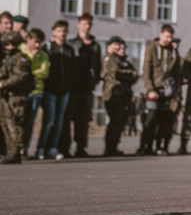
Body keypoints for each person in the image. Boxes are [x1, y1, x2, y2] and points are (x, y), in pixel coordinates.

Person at [62, 13, 102, 158]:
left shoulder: (95, 46)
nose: (87, 27)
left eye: (89, 24)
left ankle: (81, 148)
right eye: (84, 24)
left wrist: (95, 80)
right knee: (67, 118)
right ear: (78, 24)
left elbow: (97, 66)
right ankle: (64, 147)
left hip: (87, 88)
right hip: (73, 87)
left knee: (83, 120)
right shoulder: (72, 43)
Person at [139, 24, 181, 156]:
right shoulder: (151, 49)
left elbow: (177, 74)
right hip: (154, 91)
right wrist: (150, 89)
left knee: (165, 121)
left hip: (168, 91)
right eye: (167, 36)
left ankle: (160, 147)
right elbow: (146, 71)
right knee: (150, 119)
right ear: (161, 34)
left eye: (171, 37)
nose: (169, 39)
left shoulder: (173, 52)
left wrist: (177, 92)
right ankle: (145, 146)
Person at [39, 20, 73, 160]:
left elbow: (72, 70)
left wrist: (70, 85)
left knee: (59, 122)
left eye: (64, 31)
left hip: (64, 91)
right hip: (50, 90)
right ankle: (41, 148)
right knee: (49, 121)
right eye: (59, 31)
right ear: (53, 32)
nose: (62, 33)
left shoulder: (69, 49)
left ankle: (52, 147)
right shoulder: (47, 48)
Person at [0, 31, 34, 164]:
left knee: (13, 123)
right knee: (5, 123)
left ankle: (15, 151)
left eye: (10, 44)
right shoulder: (7, 59)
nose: (8, 46)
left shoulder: (21, 59)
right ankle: (11, 151)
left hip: (16, 95)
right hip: (6, 96)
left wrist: (4, 83)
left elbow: (21, 76)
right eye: (6, 44)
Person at [101, 35, 137, 157]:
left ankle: (114, 147)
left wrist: (129, 75)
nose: (119, 48)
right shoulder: (108, 58)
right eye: (116, 45)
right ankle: (109, 148)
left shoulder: (122, 60)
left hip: (124, 95)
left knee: (121, 121)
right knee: (115, 121)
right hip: (113, 94)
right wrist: (128, 74)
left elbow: (135, 76)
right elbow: (115, 73)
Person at [19, 28, 49, 157]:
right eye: (35, 42)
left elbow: (45, 72)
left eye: (40, 43)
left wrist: (31, 74)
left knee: (29, 122)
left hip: (37, 91)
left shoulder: (43, 55)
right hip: (21, 91)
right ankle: (15, 146)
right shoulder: (21, 50)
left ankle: (24, 148)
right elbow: (21, 70)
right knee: (19, 120)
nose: (37, 45)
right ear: (28, 39)